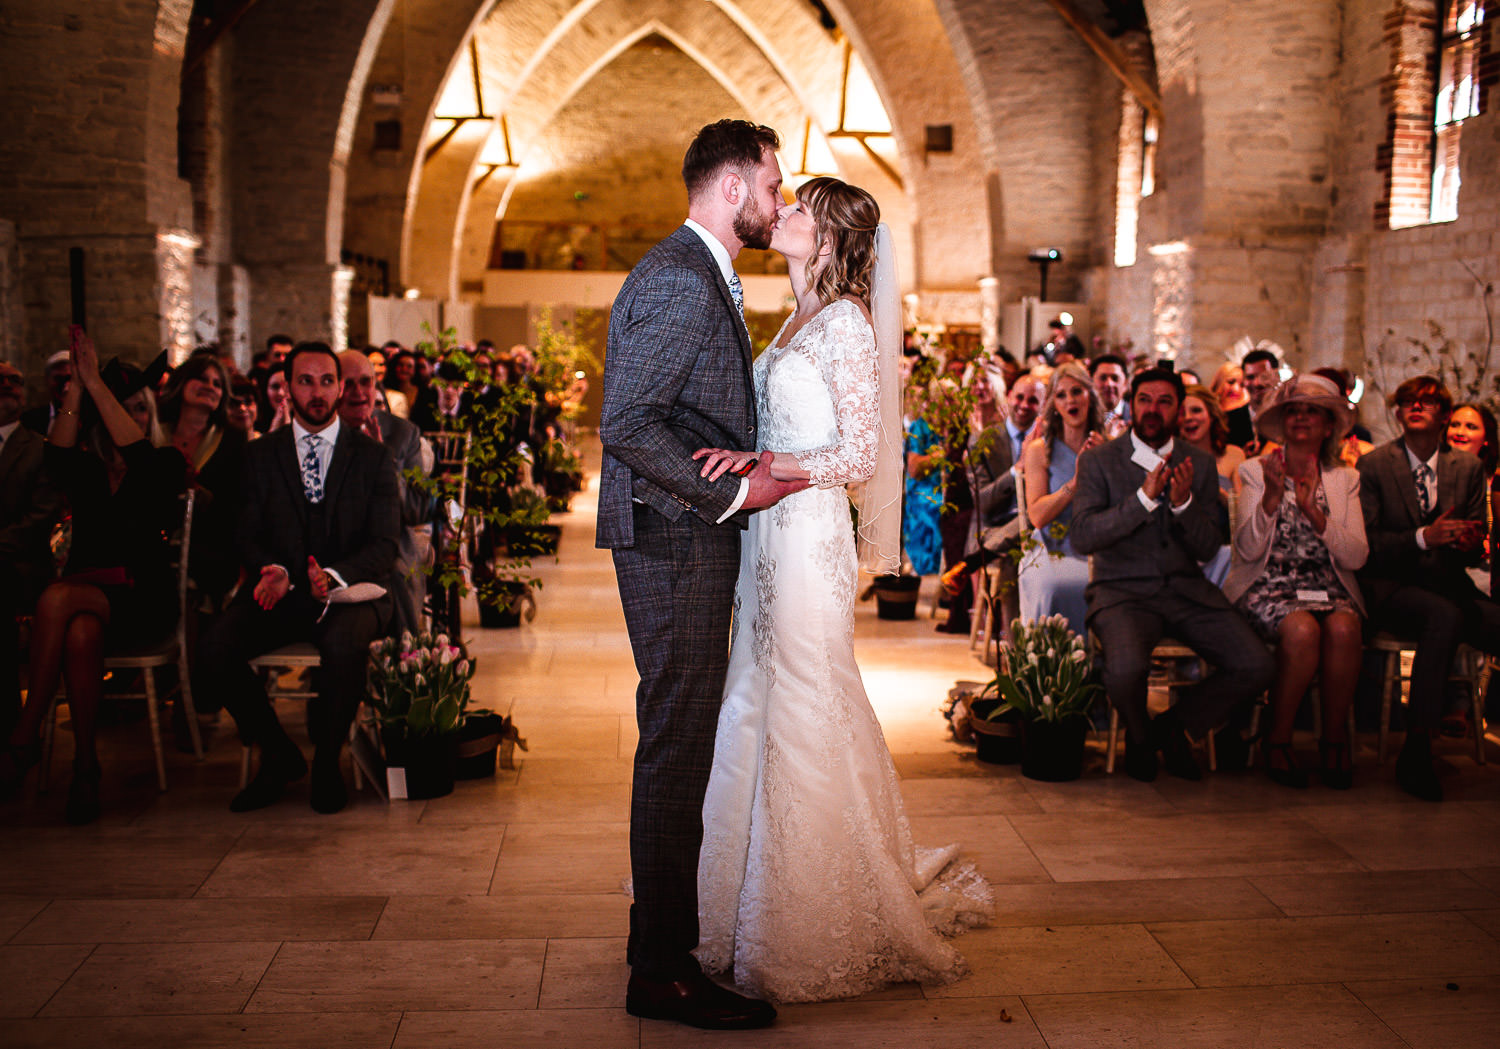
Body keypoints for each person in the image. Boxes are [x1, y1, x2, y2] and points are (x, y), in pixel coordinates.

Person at [692, 176, 991, 1004]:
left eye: (797, 210)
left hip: (808, 533)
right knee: (754, 690)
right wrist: (753, 463)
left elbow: (860, 456)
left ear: (825, 240)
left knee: (805, 697)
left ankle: (814, 911)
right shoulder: (792, 320)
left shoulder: (851, 327)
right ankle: (740, 896)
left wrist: (769, 468)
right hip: (765, 532)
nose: (780, 212)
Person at [596, 119, 795, 1031]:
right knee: (675, 745)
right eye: (772, 184)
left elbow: (680, 411)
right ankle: (662, 968)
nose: (779, 201)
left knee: (678, 739)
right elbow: (628, 423)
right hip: (675, 537)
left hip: (679, 531)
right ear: (731, 188)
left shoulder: (701, 273)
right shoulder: (680, 278)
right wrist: (733, 494)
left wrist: (739, 455)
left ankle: (659, 942)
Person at [194, 342, 399, 815]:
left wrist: (331, 575)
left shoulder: (371, 458)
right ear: (286, 389)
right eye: (305, 381)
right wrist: (278, 571)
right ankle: (277, 752)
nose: (317, 392)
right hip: (280, 592)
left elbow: (385, 544)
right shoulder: (259, 455)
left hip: (348, 596)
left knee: (344, 647)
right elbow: (244, 532)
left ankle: (328, 760)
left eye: (326, 381)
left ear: (341, 386)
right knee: (213, 648)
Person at [1, 331, 186, 823]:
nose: (131, 417)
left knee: (57, 598)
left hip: (140, 600)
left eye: (139, 408)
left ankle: (24, 734)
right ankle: (86, 767)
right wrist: (78, 390)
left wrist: (100, 390)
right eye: (124, 409)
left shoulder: (162, 464)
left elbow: (142, 458)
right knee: (80, 632)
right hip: (86, 602)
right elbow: (55, 455)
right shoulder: (84, 469)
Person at [1070, 368, 1275, 782]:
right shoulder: (1098, 461)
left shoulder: (1197, 462)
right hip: (1121, 593)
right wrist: (1143, 500)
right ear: (1131, 403)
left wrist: (1183, 506)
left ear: (1178, 409)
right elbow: (1083, 537)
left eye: (1165, 401)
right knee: (1125, 672)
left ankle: (1171, 728)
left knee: (1257, 664)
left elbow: (1205, 548)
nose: (1153, 410)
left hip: (1186, 590)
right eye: (1145, 399)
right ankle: (1141, 735)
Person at [1357, 376, 1499, 801]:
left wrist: (1470, 542)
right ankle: (1417, 749)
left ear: (1444, 414)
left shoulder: (1467, 467)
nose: (1415, 407)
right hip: (1392, 587)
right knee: (1445, 617)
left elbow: (1471, 544)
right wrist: (1423, 537)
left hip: (1448, 582)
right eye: (1407, 402)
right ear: (1398, 413)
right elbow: (1367, 543)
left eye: (1426, 402)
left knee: (1479, 617)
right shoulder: (1375, 465)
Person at [1222, 376, 1368, 789]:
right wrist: (1271, 499)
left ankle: (1334, 739)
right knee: (1302, 629)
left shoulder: (1345, 480)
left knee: (1344, 627)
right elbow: (1247, 552)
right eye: (1293, 410)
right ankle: (1278, 737)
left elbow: (1356, 556)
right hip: (1269, 585)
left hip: (1328, 584)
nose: (1301, 417)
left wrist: (1314, 512)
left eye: (1312, 411)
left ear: (1328, 426)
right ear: (1282, 423)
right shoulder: (1255, 470)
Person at [338, 349, 431, 637]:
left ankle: (403, 657)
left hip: (387, 541)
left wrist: (386, 465)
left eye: (366, 382)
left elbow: (417, 509)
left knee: (396, 571)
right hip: (333, 545)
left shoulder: (403, 433)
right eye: (347, 384)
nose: (358, 393)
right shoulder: (322, 429)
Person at [1017, 362, 1105, 634]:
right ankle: (1054, 670)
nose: (1070, 401)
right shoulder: (1039, 450)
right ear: (1053, 403)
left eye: (1077, 391)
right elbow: (1038, 516)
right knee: (1058, 586)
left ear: (1090, 395)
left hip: (1099, 549)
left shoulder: (1110, 445)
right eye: (1061, 395)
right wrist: (1076, 482)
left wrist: (1106, 463)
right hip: (1052, 547)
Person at [0, 359, 62, 735]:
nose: (8, 385)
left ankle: (10, 726)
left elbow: (42, 517)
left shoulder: (39, 449)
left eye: (15, 380)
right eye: (0, 380)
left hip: (21, 565)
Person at [157, 352, 247, 608]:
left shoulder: (232, 439)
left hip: (210, 543)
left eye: (217, 384)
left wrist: (199, 494)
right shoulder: (155, 432)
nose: (210, 386)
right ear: (181, 383)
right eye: (201, 379)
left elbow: (235, 504)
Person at [1178, 383, 1245, 585]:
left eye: (1196, 410)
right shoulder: (1173, 457)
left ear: (1211, 415)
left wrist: (1217, 492)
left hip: (1224, 548)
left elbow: (1243, 509)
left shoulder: (1233, 455)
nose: (1189, 417)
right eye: (1182, 413)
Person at [21, 350, 73, 435]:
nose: (65, 384)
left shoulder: (93, 418)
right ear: (47, 381)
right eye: (58, 379)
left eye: (69, 378)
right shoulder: (30, 420)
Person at [1211, 361, 1254, 449]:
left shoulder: (1248, 413)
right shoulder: (1207, 412)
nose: (1236, 389)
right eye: (1230, 382)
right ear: (1219, 382)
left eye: (1242, 385)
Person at [1088, 353, 1130, 437]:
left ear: (1125, 384)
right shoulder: (1083, 418)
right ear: (1091, 382)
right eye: (1103, 378)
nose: (1109, 384)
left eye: (1115, 378)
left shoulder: (1134, 417)